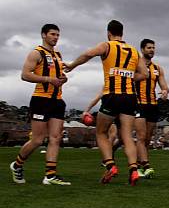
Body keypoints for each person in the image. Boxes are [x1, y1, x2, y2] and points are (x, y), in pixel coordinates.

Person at [64, 20, 148, 186]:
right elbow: (144, 73)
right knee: (127, 136)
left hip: (112, 95)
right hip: (130, 97)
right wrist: (127, 76)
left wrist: (72, 65)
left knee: (101, 132)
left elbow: (87, 54)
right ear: (122, 33)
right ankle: (133, 170)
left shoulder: (107, 45)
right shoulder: (133, 51)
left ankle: (110, 165)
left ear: (109, 32)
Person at [10, 24, 71, 185]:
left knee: (56, 138)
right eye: (52, 34)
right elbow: (25, 75)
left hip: (57, 100)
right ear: (44, 35)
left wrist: (63, 79)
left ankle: (50, 175)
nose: (56, 37)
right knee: (37, 140)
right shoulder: (36, 53)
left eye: (58, 34)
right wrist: (48, 79)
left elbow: (58, 76)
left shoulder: (58, 54)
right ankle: (17, 165)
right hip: (41, 100)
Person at [135, 39, 169, 178]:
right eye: (149, 48)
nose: (152, 50)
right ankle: (144, 165)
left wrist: (165, 92)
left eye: (153, 48)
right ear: (142, 49)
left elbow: (164, 86)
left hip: (152, 105)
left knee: (147, 139)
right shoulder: (135, 65)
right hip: (138, 103)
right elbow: (129, 79)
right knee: (141, 137)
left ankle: (139, 167)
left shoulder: (158, 68)